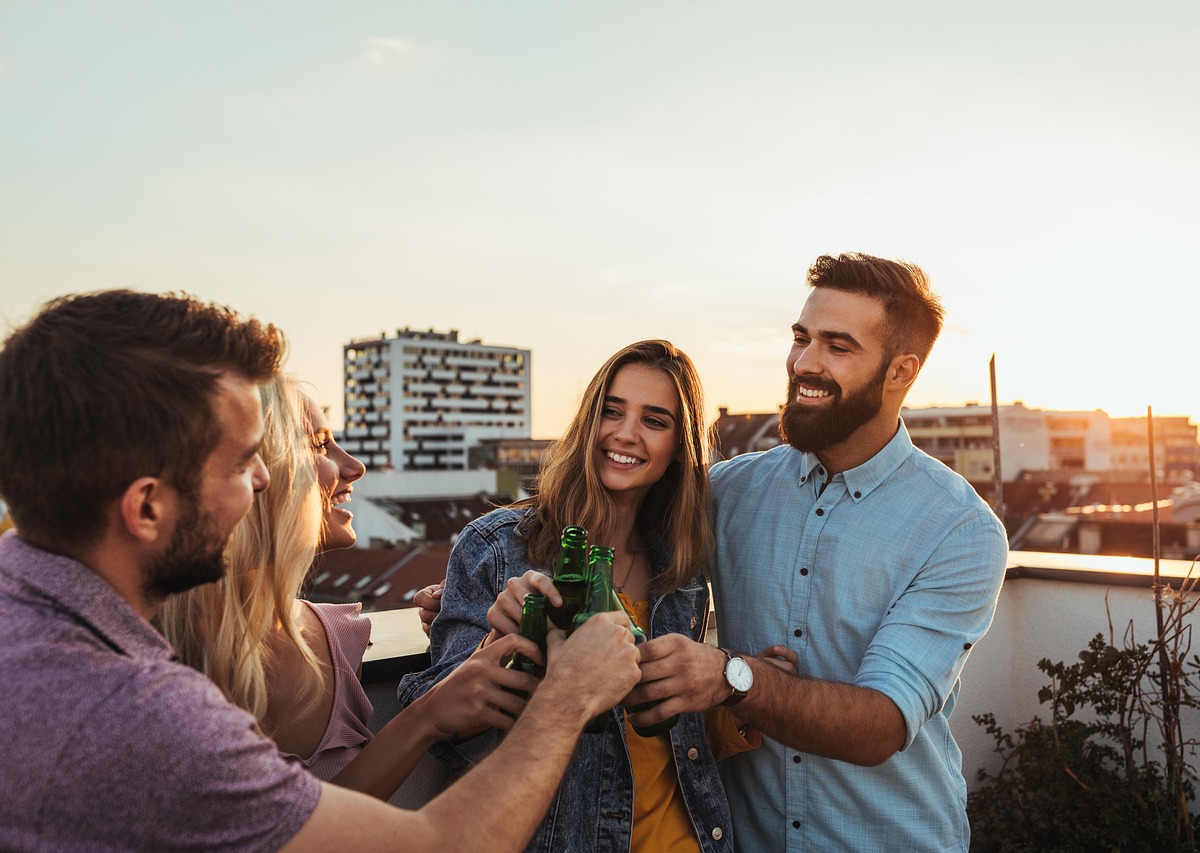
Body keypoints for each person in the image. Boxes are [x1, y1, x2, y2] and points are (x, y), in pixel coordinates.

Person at [0, 289, 642, 852]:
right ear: (146, 507)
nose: (263, 482)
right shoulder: (138, 715)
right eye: (242, 464)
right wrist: (566, 699)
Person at [623, 253, 1009, 851]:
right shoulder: (728, 491)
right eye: (801, 339)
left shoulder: (958, 530)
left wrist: (732, 677)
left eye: (838, 346)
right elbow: (608, 532)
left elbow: (882, 723)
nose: (804, 363)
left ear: (900, 371)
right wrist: (489, 587)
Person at [399, 340, 788, 852]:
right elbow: (446, 736)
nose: (625, 434)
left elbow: (666, 739)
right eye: (612, 411)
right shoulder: (498, 548)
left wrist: (741, 694)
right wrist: (504, 647)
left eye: (654, 420)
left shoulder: (680, 571)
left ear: (678, 447)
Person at [159, 376, 527, 800]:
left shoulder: (338, 637)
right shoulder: (153, 660)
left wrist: (459, 619)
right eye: (319, 445)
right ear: (253, 469)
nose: (355, 467)